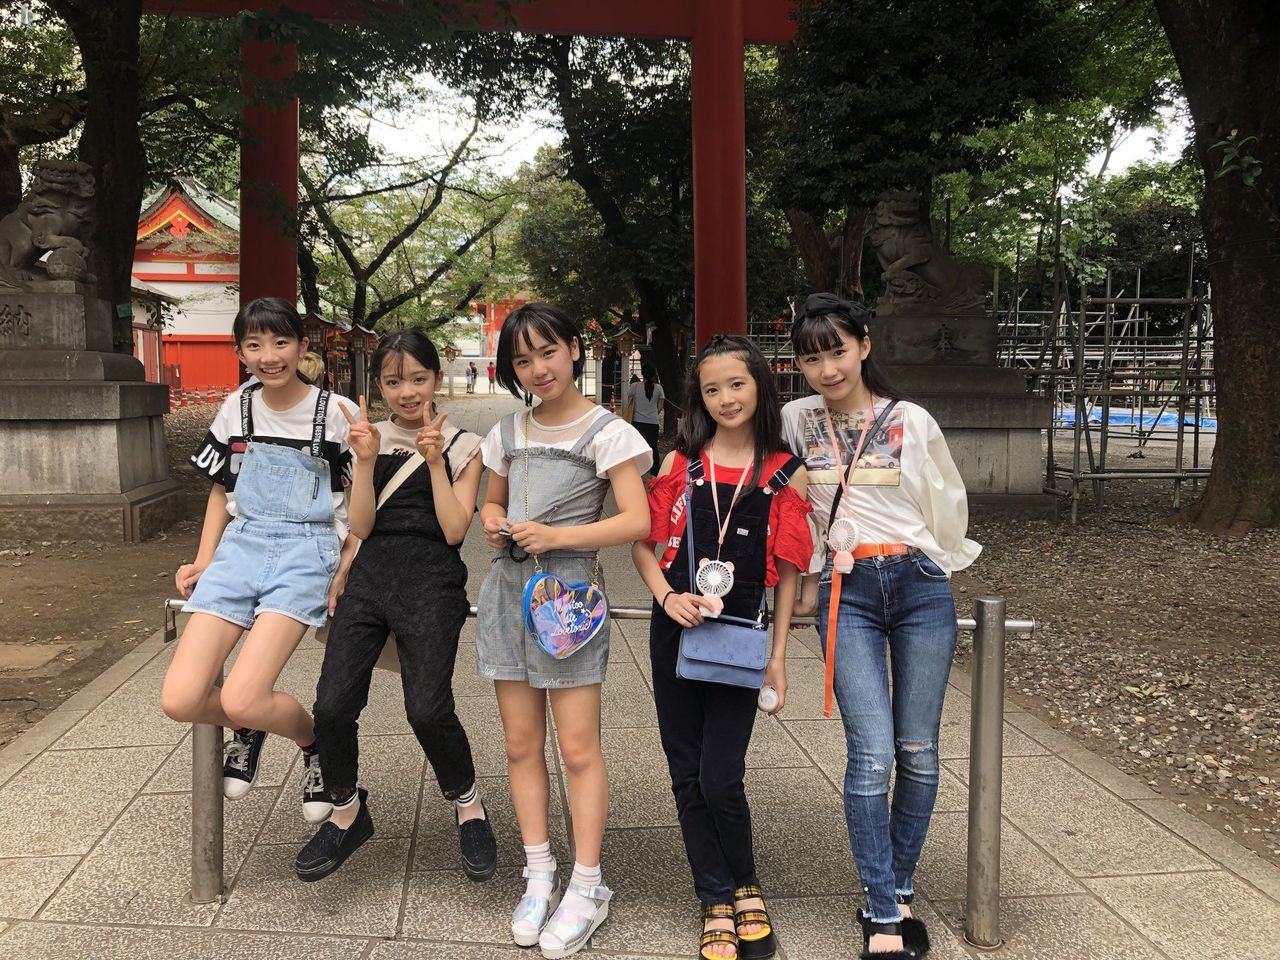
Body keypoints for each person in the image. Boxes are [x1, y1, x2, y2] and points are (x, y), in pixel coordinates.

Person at [782, 292, 981, 960]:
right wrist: (805, 574)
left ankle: (898, 889)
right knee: (870, 752)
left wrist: (938, 559)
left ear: (864, 345)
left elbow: (945, 499)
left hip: (919, 584)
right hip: (848, 589)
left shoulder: (910, 419)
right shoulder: (796, 420)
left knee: (918, 749)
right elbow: (786, 498)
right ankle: (881, 910)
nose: (828, 369)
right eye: (812, 358)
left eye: (838, 351)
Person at [477, 302, 651, 957]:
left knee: (577, 748)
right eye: (523, 360)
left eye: (548, 352)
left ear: (575, 349)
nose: (538, 369)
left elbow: (636, 520)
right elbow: (493, 499)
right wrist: (493, 520)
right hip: (507, 592)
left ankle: (587, 884)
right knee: (521, 744)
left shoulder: (608, 432)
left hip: (570, 602)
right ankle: (539, 873)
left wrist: (557, 536)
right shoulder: (506, 432)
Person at [633, 335, 811, 960]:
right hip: (676, 632)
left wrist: (779, 659)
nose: (726, 398)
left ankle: (746, 884)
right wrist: (665, 596)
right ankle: (714, 897)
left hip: (742, 640)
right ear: (698, 398)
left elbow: (788, 572)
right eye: (712, 389)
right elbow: (642, 544)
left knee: (721, 776)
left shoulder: (785, 471)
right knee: (686, 775)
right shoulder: (680, 463)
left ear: (760, 384)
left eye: (737, 384)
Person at [296, 331, 496, 883]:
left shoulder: (466, 445)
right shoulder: (368, 437)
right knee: (332, 705)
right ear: (378, 385)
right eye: (392, 381)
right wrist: (364, 462)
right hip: (371, 576)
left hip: (432, 580)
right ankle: (346, 809)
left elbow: (454, 531)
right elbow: (361, 525)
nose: (406, 392)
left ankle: (469, 804)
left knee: (427, 709)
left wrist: (433, 461)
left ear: (437, 378)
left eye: (417, 379)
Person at [161, 297, 358, 826]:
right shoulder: (237, 407)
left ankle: (312, 743)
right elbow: (219, 489)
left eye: (280, 342)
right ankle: (248, 730)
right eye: (254, 345)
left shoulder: (337, 414)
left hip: (307, 549)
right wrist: (204, 559)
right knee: (180, 698)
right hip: (241, 545)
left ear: (301, 345)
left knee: (245, 696)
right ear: (240, 352)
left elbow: (362, 504)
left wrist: (346, 566)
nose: (269, 356)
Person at [624, 362, 664, 476]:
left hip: (638, 422)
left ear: (642, 373)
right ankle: (655, 471)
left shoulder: (635, 386)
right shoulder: (659, 388)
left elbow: (629, 400)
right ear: (653, 374)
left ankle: (637, 470)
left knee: (637, 447)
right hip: (653, 422)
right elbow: (660, 406)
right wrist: (653, 414)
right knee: (653, 447)